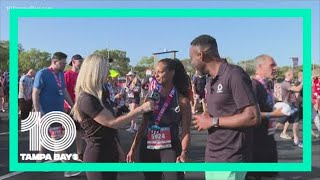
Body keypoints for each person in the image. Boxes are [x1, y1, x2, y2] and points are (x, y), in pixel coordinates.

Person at [71, 54, 153, 180]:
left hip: (110, 149)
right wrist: (141, 109)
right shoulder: (87, 98)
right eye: (105, 69)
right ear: (96, 71)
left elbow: (108, 129)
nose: (108, 73)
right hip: (97, 155)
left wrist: (117, 147)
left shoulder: (101, 94)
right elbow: (113, 123)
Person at [189, 34, 260, 180]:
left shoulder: (234, 75)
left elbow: (253, 116)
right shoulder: (210, 82)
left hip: (231, 159)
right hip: (213, 157)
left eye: (192, 58)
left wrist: (213, 121)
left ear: (201, 55)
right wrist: (207, 117)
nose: (191, 63)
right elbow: (222, 112)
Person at [126, 58, 191, 180]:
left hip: (170, 149)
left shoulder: (182, 100)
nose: (155, 75)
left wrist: (184, 152)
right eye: (155, 71)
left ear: (172, 73)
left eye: (160, 72)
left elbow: (186, 131)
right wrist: (133, 149)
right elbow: (143, 125)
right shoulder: (151, 96)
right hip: (148, 148)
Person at [32, 52, 80, 178]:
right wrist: (38, 112)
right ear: (55, 61)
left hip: (58, 112)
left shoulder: (60, 74)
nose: (65, 65)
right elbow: (35, 93)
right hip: (47, 113)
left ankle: (39, 162)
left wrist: (72, 106)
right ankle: (67, 169)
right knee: (58, 140)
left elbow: (64, 91)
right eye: (63, 63)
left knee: (46, 139)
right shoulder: (42, 73)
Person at [246, 54, 286, 179]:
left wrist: (276, 108)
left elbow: (264, 106)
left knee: (271, 173)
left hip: (268, 137)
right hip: (257, 141)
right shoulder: (254, 86)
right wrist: (274, 114)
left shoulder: (266, 85)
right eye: (272, 65)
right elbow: (250, 115)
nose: (276, 67)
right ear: (260, 66)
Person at [64, 54, 85, 161]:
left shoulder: (82, 75)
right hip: (68, 107)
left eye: (82, 61)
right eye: (79, 61)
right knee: (66, 131)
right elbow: (64, 91)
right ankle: (63, 153)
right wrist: (69, 105)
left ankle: (79, 153)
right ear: (73, 62)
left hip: (79, 106)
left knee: (79, 130)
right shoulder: (67, 74)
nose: (81, 63)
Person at [276, 70, 303, 147]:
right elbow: (297, 89)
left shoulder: (288, 83)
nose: (293, 76)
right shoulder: (285, 84)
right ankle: (263, 136)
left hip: (292, 106)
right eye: (292, 74)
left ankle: (296, 141)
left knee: (296, 123)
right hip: (287, 107)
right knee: (278, 124)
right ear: (288, 75)